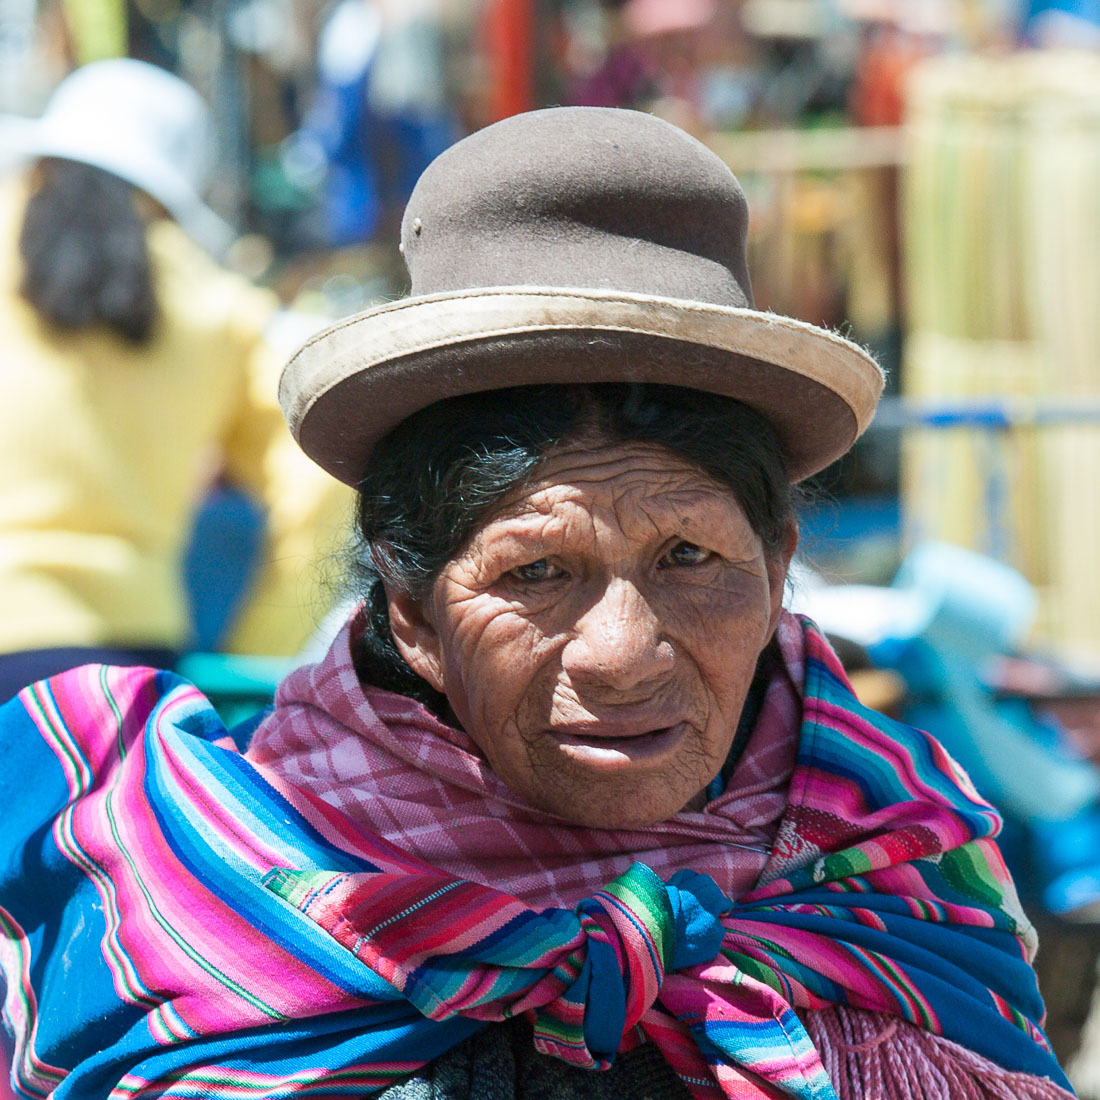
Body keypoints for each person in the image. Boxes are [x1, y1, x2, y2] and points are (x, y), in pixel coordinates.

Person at [0, 107, 1076, 1099]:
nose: (623, 652)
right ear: (411, 608)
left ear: (780, 564)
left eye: (691, 554)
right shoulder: (199, 883)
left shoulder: (899, 861)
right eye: (533, 573)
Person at [0, 59, 349, 700]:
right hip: (121, 670)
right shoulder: (219, 308)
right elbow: (321, 480)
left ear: (46, 157)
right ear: (170, 193)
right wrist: (257, 647)